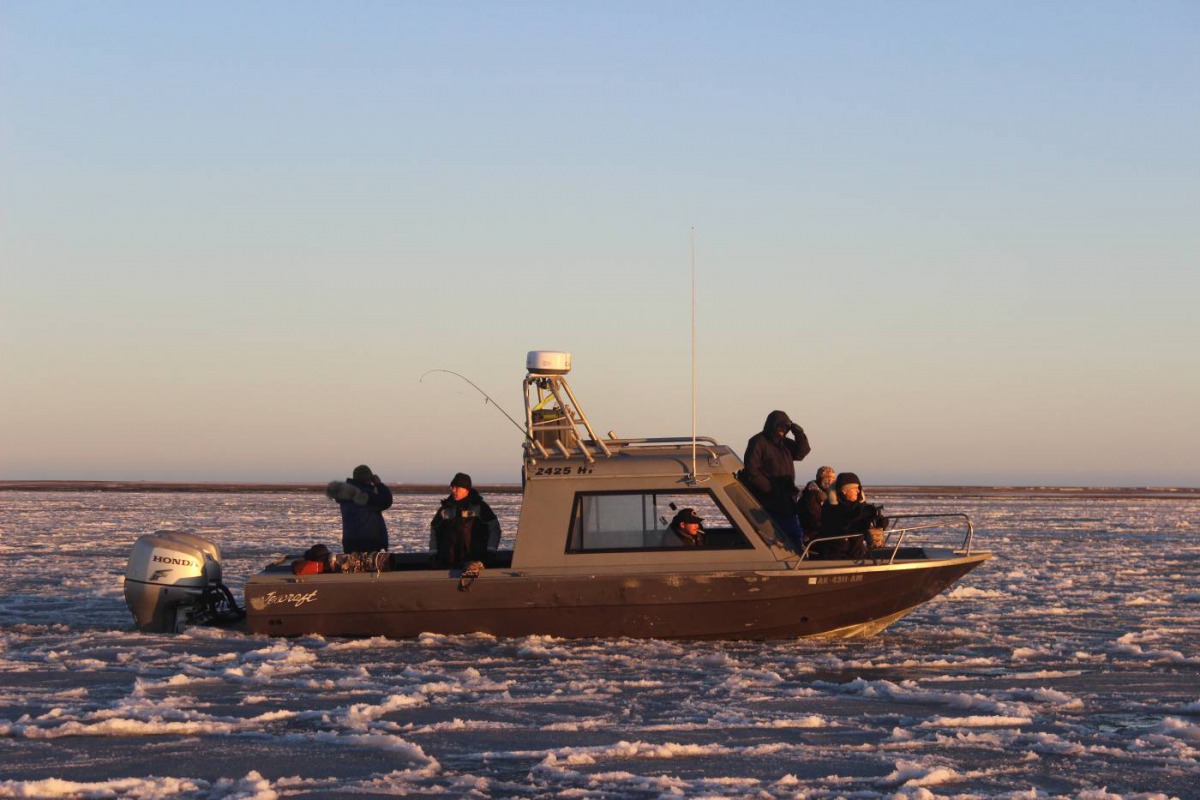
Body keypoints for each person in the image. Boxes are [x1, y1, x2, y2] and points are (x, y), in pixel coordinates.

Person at [742, 410, 811, 546]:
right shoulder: (758, 442)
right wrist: (769, 488)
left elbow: (801, 453)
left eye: (786, 427)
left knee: (794, 534)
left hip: (786, 497)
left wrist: (799, 434)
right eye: (779, 426)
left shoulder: (784, 443)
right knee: (772, 536)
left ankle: (796, 558)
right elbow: (751, 470)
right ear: (771, 425)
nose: (782, 430)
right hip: (768, 500)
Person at [430, 472, 501, 567]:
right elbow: (434, 530)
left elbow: (494, 529)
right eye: (452, 487)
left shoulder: (480, 507)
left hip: (474, 563)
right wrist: (433, 554)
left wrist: (491, 552)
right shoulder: (445, 509)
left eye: (457, 488)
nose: (453, 490)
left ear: (466, 489)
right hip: (448, 562)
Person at [815, 472, 888, 559]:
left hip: (856, 554)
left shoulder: (858, 506)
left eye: (858, 488)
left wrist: (877, 523)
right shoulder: (830, 507)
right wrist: (860, 517)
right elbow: (842, 524)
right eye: (854, 488)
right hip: (836, 555)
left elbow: (862, 523)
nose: (858, 491)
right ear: (844, 491)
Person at [326, 465, 394, 554]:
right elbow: (386, 501)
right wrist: (379, 484)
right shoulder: (365, 496)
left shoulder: (345, 494)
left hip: (349, 541)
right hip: (368, 541)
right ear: (369, 479)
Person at [798, 465, 836, 543]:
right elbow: (815, 517)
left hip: (818, 528)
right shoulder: (812, 494)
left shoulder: (827, 493)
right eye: (827, 480)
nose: (829, 483)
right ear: (820, 480)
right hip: (810, 531)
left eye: (832, 480)